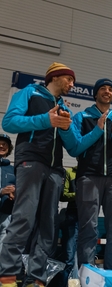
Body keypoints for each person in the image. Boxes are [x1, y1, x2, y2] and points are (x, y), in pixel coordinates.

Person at [0, 62, 76, 287]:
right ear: (55, 77)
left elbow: (72, 147)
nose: (72, 84)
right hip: (30, 162)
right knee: (23, 219)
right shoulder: (29, 92)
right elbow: (9, 122)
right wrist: (46, 120)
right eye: (69, 79)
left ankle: (36, 279)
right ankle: (7, 276)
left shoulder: (64, 107)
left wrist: (66, 128)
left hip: (55, 170)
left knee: (48, 225)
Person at [64, 78, 112, 270]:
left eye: (111, 89)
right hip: (89, 176)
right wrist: (97, 129)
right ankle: (86, 272)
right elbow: (75, 148)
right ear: (95, 93)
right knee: (88, 227)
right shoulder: (81, 117)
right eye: (103, 88)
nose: (107, 91)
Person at [59, 165, 79, 279]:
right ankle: (66, 283)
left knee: (86, 256)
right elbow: (63, 195)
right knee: (69, 256)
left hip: (89, 216)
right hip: (72, 214)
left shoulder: (93, 172)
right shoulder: (70, 172)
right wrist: (78, 195)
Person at [0, 134, 15, 254]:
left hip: (6, 213)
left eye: (5, 144)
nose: (1, 146)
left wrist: (14, 194)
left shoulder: (13, 169)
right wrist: (1, 191)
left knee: (3, 244)